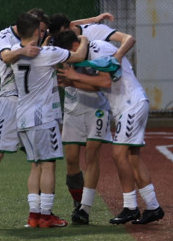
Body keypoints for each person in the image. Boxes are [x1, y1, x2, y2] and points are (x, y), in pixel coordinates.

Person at [53, 30, 164, 225]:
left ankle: (130, 207)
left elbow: (103, 81)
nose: (70, 61)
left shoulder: (98, 50)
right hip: (129, 104)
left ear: (73, 47)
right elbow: (98, 86)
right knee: (133, 158)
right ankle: (153, 206)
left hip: (130, 105)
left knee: (118, 155)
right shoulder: (90, 51)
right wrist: (72, 81)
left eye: (69, 55)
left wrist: (74, 76)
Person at [47, 13, 135, 223]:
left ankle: (84, 209)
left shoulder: (96, 33)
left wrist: (74, 79)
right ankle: (78, 201)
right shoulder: (57, 41)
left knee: (92, 156)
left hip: (97, 105)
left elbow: (101, 83)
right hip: (72, 106)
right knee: (70, 160)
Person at [11, 13, 88, 228]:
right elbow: (79, 56)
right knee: (49, 165)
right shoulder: (48, 53)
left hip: (23, 118)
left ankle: (34, 215)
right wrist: (84, 39)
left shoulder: (15, 55)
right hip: (43, 118)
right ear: (37, 31)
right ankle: (46, 215)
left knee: (36, 166)